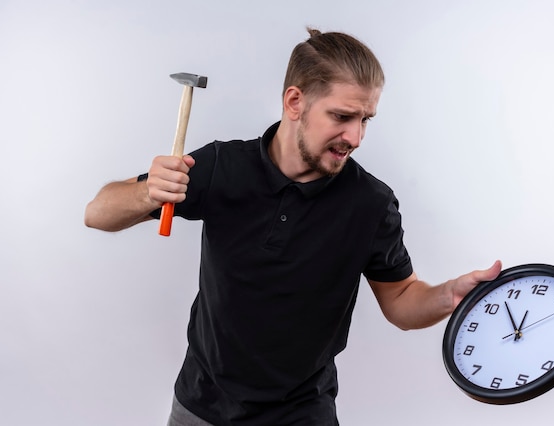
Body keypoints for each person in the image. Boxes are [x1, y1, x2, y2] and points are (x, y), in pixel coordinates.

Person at [85, 28, 501, 426]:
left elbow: (402, 301)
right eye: (342, 116)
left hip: (302, 414)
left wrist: (449, 294)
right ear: (294, 101)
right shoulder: (220, 167)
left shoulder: (370, 203)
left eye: (366, 119)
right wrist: (147, 193)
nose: (355, 137)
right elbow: (98, 213)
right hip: (201, 404)